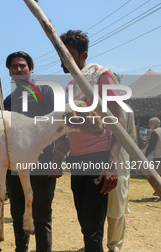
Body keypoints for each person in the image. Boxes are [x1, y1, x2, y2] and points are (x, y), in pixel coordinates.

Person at [56, 30, 125, 252]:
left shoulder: (100, 75)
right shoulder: (70, 86)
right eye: (61, 53)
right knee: (85, 221)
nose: (63, 59)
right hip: (76, 160)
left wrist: (111, 161)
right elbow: (73, 125)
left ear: (83, 56)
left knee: (94, 226)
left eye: (68, 54)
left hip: (99, 156)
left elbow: (119, 117)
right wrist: (62, 147)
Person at [3, 51, 56, 252]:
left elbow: (58, 126)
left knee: (41, 216)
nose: (18, 69)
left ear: (30, 68)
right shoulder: (8, 101)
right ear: (9, 72)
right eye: (14, 66)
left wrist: (57, 159)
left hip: (42, 164)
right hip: (15, 166)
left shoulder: (46, 92)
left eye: (22, 65)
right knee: (18, 214)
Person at [107, 110, 136, 252]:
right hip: (93, 160)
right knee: (92, 207)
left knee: (116, 207)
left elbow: (130, 137)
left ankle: (114, 246)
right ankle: (93, 242)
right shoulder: (89, 104)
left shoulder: (126, 110)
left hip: (119, 163)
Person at [145, 117, 161, 197]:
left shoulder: (155, 132)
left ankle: (159, 192)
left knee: (158, 175)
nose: (148, 125)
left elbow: (151, 146)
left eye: (150, 123)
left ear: (155, 124)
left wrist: (145, 155)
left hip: (158, 157)